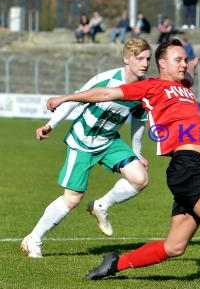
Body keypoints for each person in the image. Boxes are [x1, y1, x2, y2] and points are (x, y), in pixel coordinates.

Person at [45, 39, 200, 289]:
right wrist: (66, 98)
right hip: (187, 166)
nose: (182, 64)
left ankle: (115, 264)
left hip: (195, 167)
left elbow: (189, 76)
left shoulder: (183, 84)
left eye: (184, 59)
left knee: (175, 247)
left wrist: (193, 66)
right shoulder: (150, 87)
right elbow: (105, 94)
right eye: (178, 60)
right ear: (162, 63)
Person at [21, 39, 152, 258]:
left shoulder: (143, 89)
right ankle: (33, 239)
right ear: (126, 58)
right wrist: (50, 125)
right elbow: (74, 100)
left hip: (109, 141)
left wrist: (138, 154)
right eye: (139, 58)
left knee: (140, 178)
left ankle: (101, 205)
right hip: (83, 141)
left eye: (148, 59)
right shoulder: (107, 79)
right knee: (72, 198)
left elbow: (139, 121)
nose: (145, 63)